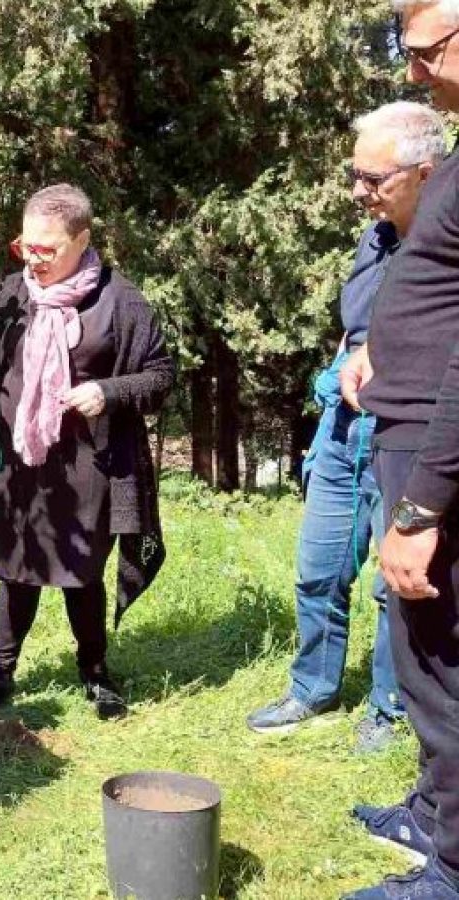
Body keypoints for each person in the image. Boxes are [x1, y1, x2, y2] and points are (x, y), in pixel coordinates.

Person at [245, 102, 444, 753]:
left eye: (374, 179)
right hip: (342, 427)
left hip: (406, 428)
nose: (359, 191)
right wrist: (339, 363)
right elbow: (357, 318)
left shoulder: (444, 244)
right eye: (355, 175)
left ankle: (390, 711)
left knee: (396, 586)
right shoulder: (376, 236)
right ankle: (313, 686)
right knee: (319, 564)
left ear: (425, 173)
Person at [0, 183, 174, 721]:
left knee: (82, 569)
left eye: (47, 249)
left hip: (87, 463)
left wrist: (108, 392)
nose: (34, 260)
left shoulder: (122, 301)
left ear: (83, 239)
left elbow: (162, 376)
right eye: (26, 247)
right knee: (14, 565)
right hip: (14, 459)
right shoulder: (6, 297)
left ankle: (95, 672)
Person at [341, 2, 459, 896]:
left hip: (433, 460)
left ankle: (451, 869)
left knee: (441, 660)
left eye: (424, 52)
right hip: (404, 433)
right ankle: (430, 810)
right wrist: (378, 347)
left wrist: (422, 507)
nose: (415, 70)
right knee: (419, 652)